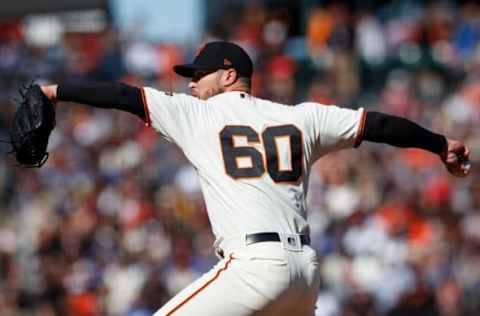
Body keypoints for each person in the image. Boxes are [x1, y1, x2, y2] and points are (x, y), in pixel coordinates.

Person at [39, 41, 470, 316]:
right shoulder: (303, 116)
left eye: (197, 76)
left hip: (254, 268)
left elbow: (122, 96)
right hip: (304, 275)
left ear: (228, 75)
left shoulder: (198, 113)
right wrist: (438, 144)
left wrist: (54, 92)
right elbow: (378, 125)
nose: (191, 86)